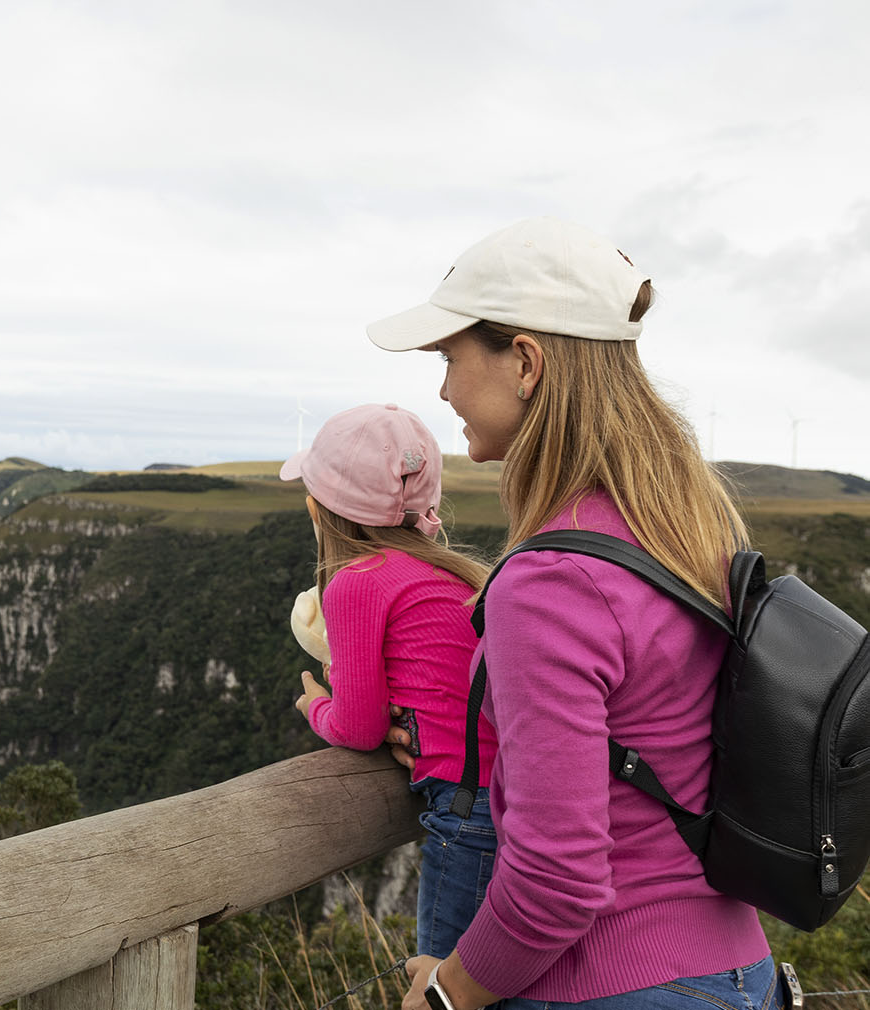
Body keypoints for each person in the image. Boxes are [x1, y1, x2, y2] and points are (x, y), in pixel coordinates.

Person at [366, 217, 776, 1010]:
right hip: (736, 970)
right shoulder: (684, 526)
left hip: (612, 982)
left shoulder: (552, 578)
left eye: (450, 357)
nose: (442, 388)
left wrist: (446, 992)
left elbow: (556, 878)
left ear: (523, 362)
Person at [281, 402, 497, 958]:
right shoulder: (454, 573)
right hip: (520, 799)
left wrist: (316, 707)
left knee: (442, 981)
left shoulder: (356, 582)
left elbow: (358, 725)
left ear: (317, 510)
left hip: (466, 809)